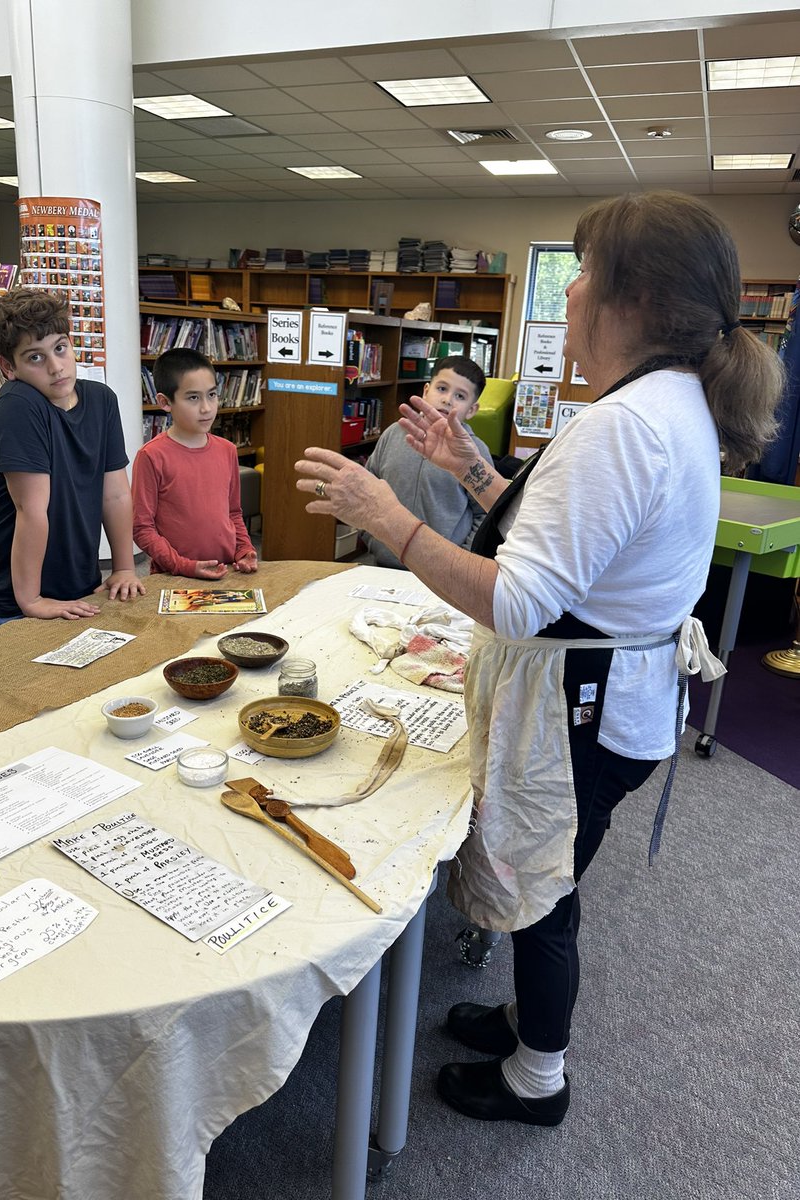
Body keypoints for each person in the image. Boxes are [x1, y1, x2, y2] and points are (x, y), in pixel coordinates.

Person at [295, 192, 783, 1127]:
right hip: (619, 700)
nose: (571, 293)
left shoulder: (625, 424)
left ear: (635, 298)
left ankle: (537, 1078)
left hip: (585, 713)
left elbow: (521, 600)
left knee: (544, 894)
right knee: (551, 879)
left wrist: (385, 516)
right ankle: (529, 1021)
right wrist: (471, 470)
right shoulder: (662, 403)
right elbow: (571, 548)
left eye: (586, 273)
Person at [0, 289, 145, 624]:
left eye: (60, 348)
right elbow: (31, 509)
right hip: (15, 596)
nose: (56, 367)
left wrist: (124, 567)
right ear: (8, 367)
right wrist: (31, 600)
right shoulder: (17, 406)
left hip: (79, 581)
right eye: (35, 358)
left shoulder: (102, 400)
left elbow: (114, 494)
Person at [131, 347, 257, 579]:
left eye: (212, 395)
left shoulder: (227, 450)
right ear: (165, 402)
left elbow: (233, 513)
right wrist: (183, 565)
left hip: (226, 572)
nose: (206, 408)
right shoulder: (151, 456)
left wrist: (244, 550)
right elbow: (142, 528)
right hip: (174, 576)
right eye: (193, 398)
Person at [361, 355, 490, 568]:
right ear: (426, 390)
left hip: (445, 572)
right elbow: (367, 487)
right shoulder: (393, 434)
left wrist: (462, 559)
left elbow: (485, 513)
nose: (447, 400)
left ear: (471, 410)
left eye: (460, 396)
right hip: (384, 563)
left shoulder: (476, 452)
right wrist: (371, 538)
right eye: (442, 389)